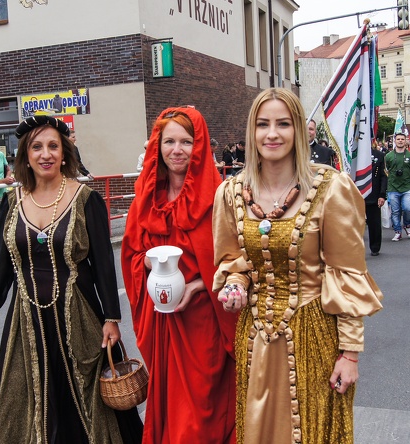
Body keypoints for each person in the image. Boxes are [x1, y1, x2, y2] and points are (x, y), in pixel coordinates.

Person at [212, 88, 383, 444]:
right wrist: (235, 284)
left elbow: (346, 274)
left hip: (313, 336)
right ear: (251, 131)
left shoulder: (330, 188)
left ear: (299, 131)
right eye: (263, 124)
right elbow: (233, 259)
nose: (272, 134)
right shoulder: (231, 191)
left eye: (283, 124)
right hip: (255, 340)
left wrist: (350, 354)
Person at [0, 116, 142, 443]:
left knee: (84, 399)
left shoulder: (86, 199)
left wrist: (111, 318)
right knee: (28, 397)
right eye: (36, 147)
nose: (45, 154)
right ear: (26, 155)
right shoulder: (12, 202)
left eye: (53, 146)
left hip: (79, 317)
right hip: (26, 320)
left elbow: (103, 264)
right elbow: (1, 264)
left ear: (64, 153)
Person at [121, 107, 238, 443]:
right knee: (170, 404)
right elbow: (130, 254)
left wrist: (199, 284)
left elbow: (233, 262)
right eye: (169, 141)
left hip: (203, 318)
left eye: (186, 141)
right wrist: (149, 262)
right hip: (161, 319)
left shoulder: (219, 198)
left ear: (199, 146)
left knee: (202, 408)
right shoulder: (145, 200)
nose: (177, 150)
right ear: (157, 146)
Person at [384, 133, 410, 241]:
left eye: (402, 139)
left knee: (408, 208)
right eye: (398, 139)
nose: (400, 141)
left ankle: (407, 225)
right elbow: (385, 171)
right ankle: (397, 231)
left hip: (407, 187)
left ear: (406, 141)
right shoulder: (388, 156)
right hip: (393, 188)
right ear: (394, 141)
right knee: (395, 211)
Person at [366, 142, 387, 256]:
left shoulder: (379, 155)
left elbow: (383, 176)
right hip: (356, 195)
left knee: (374, 223)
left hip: (373, 195)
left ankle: (375, 247)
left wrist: (382, 194)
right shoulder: (353, 155)